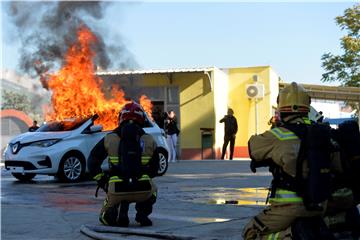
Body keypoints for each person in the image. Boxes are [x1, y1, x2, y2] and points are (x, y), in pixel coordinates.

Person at [242, 82, 334, 240]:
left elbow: (254, 149)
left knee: (250, 232)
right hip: (321, 204)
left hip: (289, 207)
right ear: (307, 106)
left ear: (281, 107)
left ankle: (292, 235)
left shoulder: (278, 135)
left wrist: (275, 126)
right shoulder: (324, 134)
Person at [88, 101, 159, 227]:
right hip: (143, 191)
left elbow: (92, 161)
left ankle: (114, 213)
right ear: (141, 118)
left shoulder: (109, 138)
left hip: (116, 191)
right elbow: (155, 168)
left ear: (121, 117)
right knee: (154, 190)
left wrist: (103, 181)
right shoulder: (149, 139)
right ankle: (142, 214)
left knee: (105, 219)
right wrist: (143, 177)